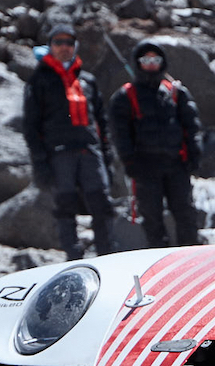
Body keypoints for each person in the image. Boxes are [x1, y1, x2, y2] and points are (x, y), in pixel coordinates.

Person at [22, 23, 115, 259]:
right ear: (50, 46)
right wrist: (40, 162)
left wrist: (107, 156)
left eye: (69, 43)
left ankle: (107, 254)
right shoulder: (39, 80)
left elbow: (102, 122)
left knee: (102, 203)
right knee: (64, 206)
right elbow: (31, 126)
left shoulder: (87, 80)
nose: (64, 47)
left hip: (89, 150)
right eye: (58, 42)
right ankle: (73, 257)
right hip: (58, 153)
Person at [108, 39, 203, 248]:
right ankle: (160, 260)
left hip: (176, 164)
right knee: (151, 218)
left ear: (163, 62)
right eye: (146, 59)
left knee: (186, 214)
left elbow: (192, 126)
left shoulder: (177, 93)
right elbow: (119, 134)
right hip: (145, 168)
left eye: (156, 59)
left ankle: (191, 258)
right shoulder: (125, 97)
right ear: (138, 62)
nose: (151, 64)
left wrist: (194, 155)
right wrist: (130, 162)